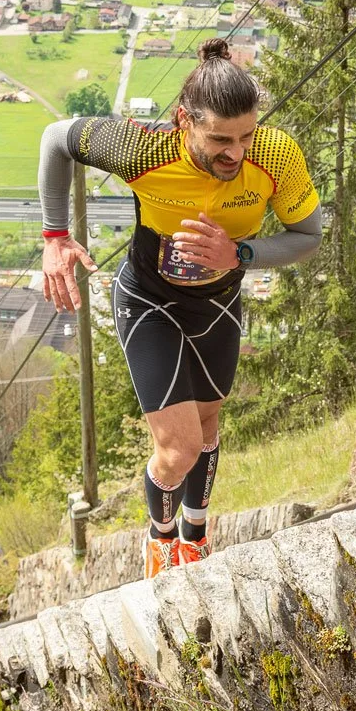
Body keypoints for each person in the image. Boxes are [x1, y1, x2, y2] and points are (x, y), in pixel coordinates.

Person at [38, 37, 323, 579]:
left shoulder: (275, 155)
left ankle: (196, 533)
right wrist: (54, 235)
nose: (234, 153)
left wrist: (240, 253)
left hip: (217, 304)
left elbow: (308, 236)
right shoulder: (146, 151)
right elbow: (57, 139)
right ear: (183, 121)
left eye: (245, 136)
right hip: (149, 301)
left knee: (209, 428)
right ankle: (161, 540)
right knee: (180, 447)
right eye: (219, 139)